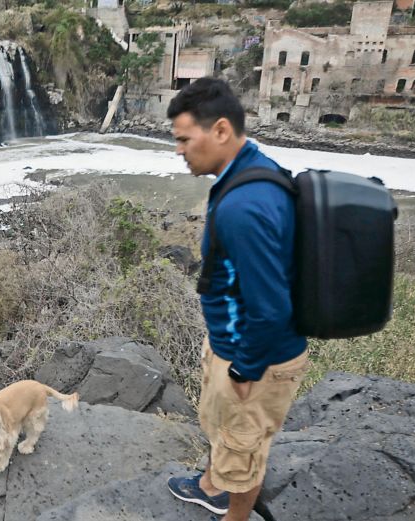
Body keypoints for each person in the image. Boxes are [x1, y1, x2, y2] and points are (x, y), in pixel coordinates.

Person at [165, 78, 309, 521]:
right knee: (226, 434)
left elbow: (270, 309)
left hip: (256, 360)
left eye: (185, 139)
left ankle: (235, 515)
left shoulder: (244, 205)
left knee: (244, 452)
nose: (178, 150)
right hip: (235, 346)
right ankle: (211, 486)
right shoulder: (250, 170)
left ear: (221, 131)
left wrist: (245, 369)